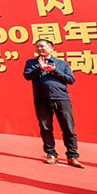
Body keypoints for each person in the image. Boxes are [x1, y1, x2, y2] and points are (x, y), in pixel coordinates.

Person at [23, 39, 84, 168]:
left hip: (61, 99)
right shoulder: (32, 63)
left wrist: (54, 70)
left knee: (68, 128)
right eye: (37, 47)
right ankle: (51, 154)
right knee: (45, 128)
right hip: (41, 99)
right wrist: (40, 69)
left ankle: (72, 156)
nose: (40, 49)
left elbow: (71, 79)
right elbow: (27, 76)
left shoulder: (61, 63)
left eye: (42, 46)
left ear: (51, 49)